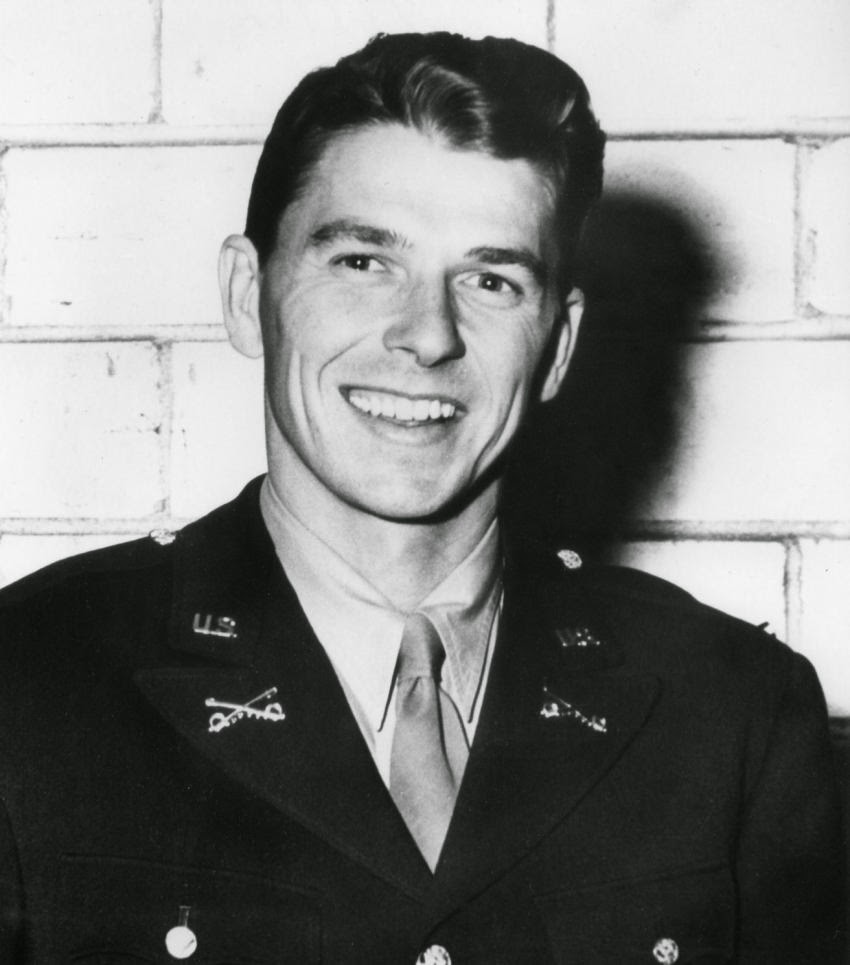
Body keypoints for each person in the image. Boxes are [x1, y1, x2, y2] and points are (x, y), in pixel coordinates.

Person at [0, 32, 843, 964]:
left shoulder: (732, 713)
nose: (429, 334)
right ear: (247, 293)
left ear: (557, 348)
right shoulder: (30, 682)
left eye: (490, 280)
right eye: (364, 261)